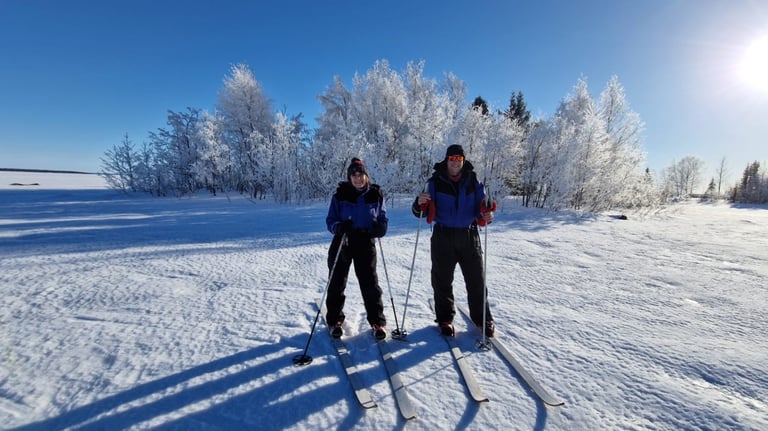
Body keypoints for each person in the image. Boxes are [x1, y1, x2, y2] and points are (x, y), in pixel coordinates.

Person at [412, 144, 497, 337]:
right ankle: (445, 319)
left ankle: (483, 319)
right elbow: (420, 210)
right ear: (447, 160)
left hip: (469, 235)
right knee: (442, 280)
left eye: (459, 159)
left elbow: (483, 208)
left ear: (463, 161)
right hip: (443, 236)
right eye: (452, 159)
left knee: (476, 279)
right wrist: (419, 204)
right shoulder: (435, 182)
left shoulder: (474, 181)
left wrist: (487, 214)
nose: (456, 162)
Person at [325, 157, 389, 340]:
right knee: (337, 280)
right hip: (343, 240)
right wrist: (338, 227)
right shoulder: (340, 195)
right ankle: (335, 320)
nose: (357, 178)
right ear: (349, 177)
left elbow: (383, 217)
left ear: (366, 176)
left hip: (365, 241)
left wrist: (381, 228)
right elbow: (330, 220)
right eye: (353, 175)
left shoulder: (375, 194)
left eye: (360, 174)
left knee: (370, 282)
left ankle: (377, 321)